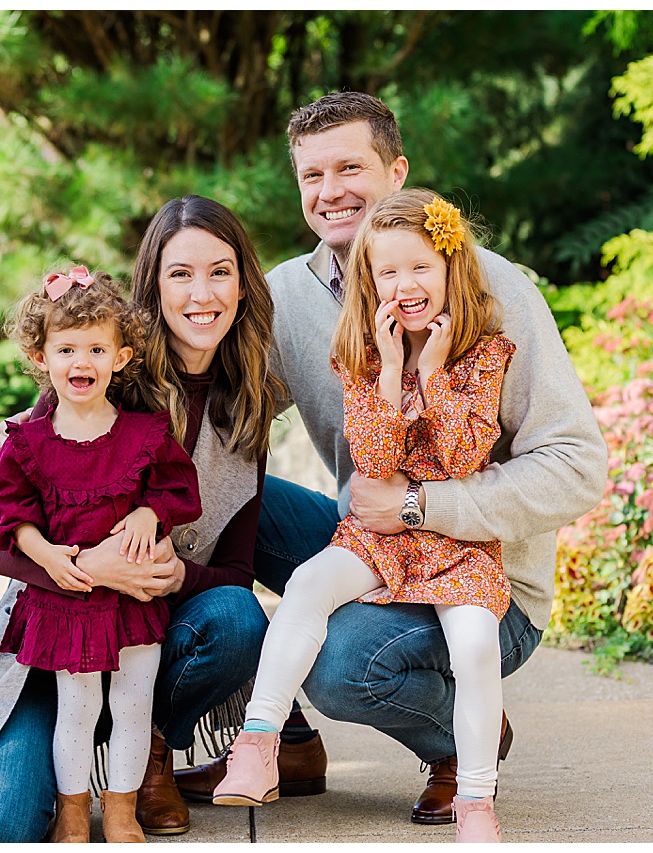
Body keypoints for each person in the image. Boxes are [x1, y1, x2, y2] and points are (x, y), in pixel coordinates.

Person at [184, 92, 608, 825]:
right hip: (375, 541)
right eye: (313, 175)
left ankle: (456, 739)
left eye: (351, 166)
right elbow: (220, 420)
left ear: (398, 171)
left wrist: (423, 504)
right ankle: (282, 740)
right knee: (223, 494)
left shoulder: (493, 291)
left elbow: (578, 465)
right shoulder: (290, 293)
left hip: (482, 570)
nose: (331, 191)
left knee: (342, 665)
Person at [0, 196, 290, 841]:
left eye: (220, 271)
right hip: (54, 625)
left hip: (150, 626)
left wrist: (166, 576)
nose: (201, 292)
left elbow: (234, 569)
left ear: (243, 284)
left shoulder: (246, 407)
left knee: (238, 620)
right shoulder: (93, 376)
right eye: (180, 273)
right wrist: (80, 564)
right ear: (152, 284)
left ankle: (147, 749)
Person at [212, 189, 516, 843]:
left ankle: (476, 803)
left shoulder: (483, 353)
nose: (406, 286)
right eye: (388, 272)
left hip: (455, 541)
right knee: (307, 584)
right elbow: (374, 461)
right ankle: (259, 741)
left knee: (475, 643)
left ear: (449, 269)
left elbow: (462, 456)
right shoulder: (358, 353)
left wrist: (430, 374)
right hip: (379, 534)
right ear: (368, 281)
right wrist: (388, 375)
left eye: (420, 268)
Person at [0, 267, 202, 843]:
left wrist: (148, 512)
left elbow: (181, 491)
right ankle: (75, 815)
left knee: (133, 706)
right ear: (41, 355)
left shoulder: (144, 433)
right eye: (67, 349)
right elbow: (9, 518)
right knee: (76, 710)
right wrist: (49, 555)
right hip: (68, 602)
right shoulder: (27, 442)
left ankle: (124, 812)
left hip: (132, 602)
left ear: (122, 356)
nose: (82, 361)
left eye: (97, 348)